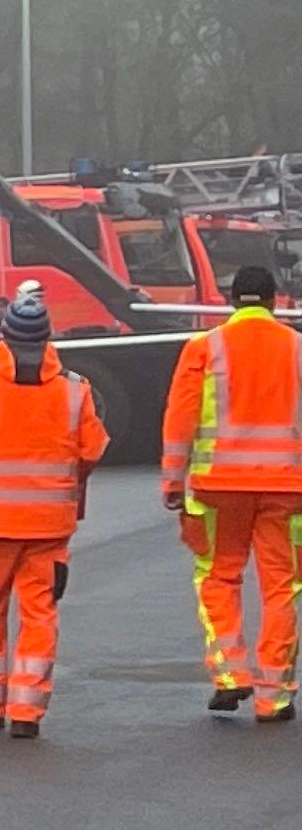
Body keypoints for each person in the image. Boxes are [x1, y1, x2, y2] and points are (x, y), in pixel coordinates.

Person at [0, 280, 105, 737]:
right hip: (49, 527)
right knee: (39, 616)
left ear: (4, 338)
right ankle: (27, 712)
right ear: (48, 339)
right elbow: (92, 450)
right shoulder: (75, 390)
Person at [161, 259, 302, 720]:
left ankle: (229, 673)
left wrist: (172, 478)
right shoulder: (297, 348)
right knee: (282, 587)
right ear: (275, 300)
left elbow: (180, 417)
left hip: (218, 488)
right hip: (288, 488)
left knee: (217, 576)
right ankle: (273, 697)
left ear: (230, 300)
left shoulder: (204, 347)